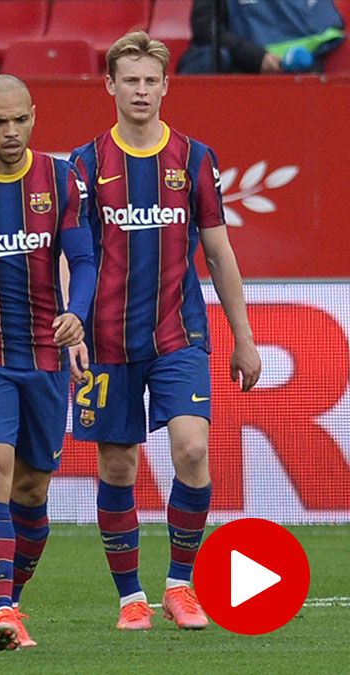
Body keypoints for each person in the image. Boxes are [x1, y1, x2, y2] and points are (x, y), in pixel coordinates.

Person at [69, 32, 261, 631]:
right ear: (111, 86)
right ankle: (131, 597)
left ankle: (181, 586)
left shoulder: (195, 158)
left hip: (180, 335)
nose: (142, 90)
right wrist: (69, 326)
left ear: (166, 85)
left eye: (152, 80)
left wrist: (244, 336)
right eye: (131, 79)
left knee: (194, 451)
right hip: (105, 341)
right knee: (119, 465)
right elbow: (69, 254)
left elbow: (219, 253)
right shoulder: (85, 164)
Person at [0, 74, 96, 650]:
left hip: (46, 355)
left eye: (19, 120)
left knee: (31, 489)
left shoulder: (61, 179)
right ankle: (1, 608)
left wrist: (77, 313)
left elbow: (82, 256)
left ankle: (14, 595)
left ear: (34, 116)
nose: (10, 131)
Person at [176, 0, 345, 74]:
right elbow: (205, 28)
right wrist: (257, 57)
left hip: (290, 71)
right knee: (209, 58)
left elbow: (327, 33)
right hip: (234, 63)